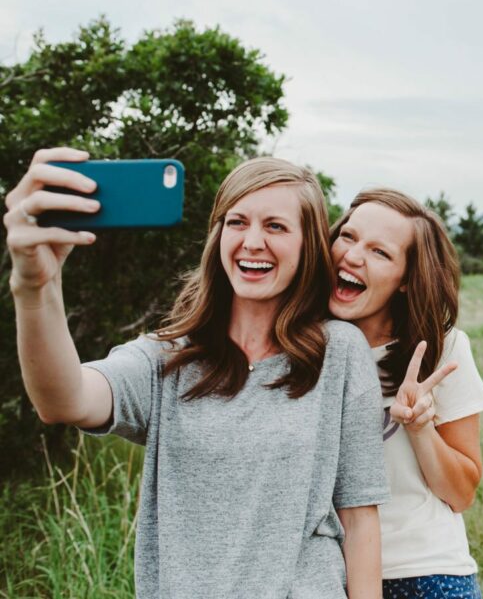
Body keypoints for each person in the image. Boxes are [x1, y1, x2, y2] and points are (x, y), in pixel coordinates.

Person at [4, 148, 388, 599]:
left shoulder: (340, 351)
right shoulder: (166, 358)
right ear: (218, 236)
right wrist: (34, 287)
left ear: (308, 247)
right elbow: (63, 400)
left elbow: (360, 519)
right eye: (237, 221)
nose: (252, 241)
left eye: (276, 226)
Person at [328, 189, 483, 599]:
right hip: (324, 573)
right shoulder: (299, 346)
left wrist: (421, 429)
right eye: (348, 237)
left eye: (380, 253)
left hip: (425, 573)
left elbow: (462, 493)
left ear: (406, 281)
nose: (352, 256)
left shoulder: (442, 350)